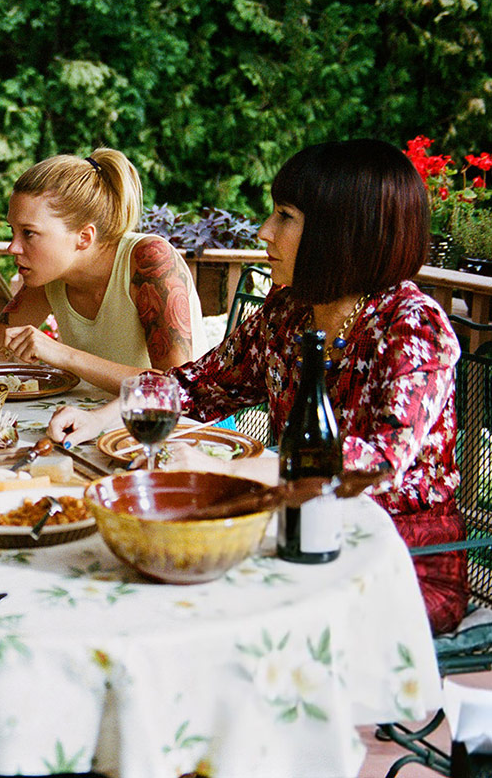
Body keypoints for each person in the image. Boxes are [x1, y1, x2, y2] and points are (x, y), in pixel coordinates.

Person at [48, 138, 466, 634]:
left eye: (285, 216)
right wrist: (103, 416)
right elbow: (197, 385)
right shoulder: (288, 310)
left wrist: (234, 472)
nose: (265, 230)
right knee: (153, 583)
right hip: (288, 530)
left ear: (343, 232)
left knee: (203, 611)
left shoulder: (414, 327)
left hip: (395, 556)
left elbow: (376, 462)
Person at [0, 148, 208, 392]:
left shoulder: (149, 260)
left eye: (29, 233)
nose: (13, 248)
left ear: (83, 237)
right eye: (12, 231)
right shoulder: (51, 274)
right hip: (96, 421)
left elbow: (176, 385)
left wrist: (60, 354)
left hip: (180, 434)